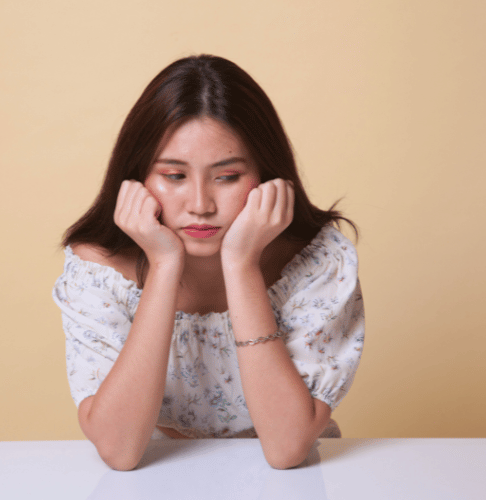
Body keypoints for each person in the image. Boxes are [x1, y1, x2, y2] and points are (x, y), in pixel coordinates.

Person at [52, 54, 365, 471]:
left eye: (227, 176)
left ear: (267, 177)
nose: (200, 205)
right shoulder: (99, 270)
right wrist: (164, 266)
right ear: (136, 179)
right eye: (174, 176)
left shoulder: (318, 263)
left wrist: (241, 265)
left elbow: (287, 448)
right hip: (157, 474)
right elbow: (119, 450)